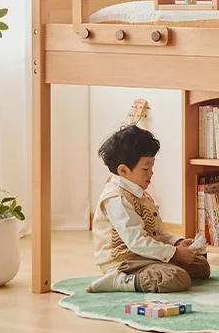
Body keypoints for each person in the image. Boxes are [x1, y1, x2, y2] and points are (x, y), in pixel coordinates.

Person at [87, 124, 210, 293]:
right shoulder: (117, 198)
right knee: (176, 278)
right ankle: (118, 280)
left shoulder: (138, 193)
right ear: (123, 170)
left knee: (201, 266)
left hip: (144, 256)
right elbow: (137, 242)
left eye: (152, 166)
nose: (151, 173)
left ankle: (157, 267)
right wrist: (174, 253)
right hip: (125, 262)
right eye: (145, 168)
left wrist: (177, 242)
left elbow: (153, 233)